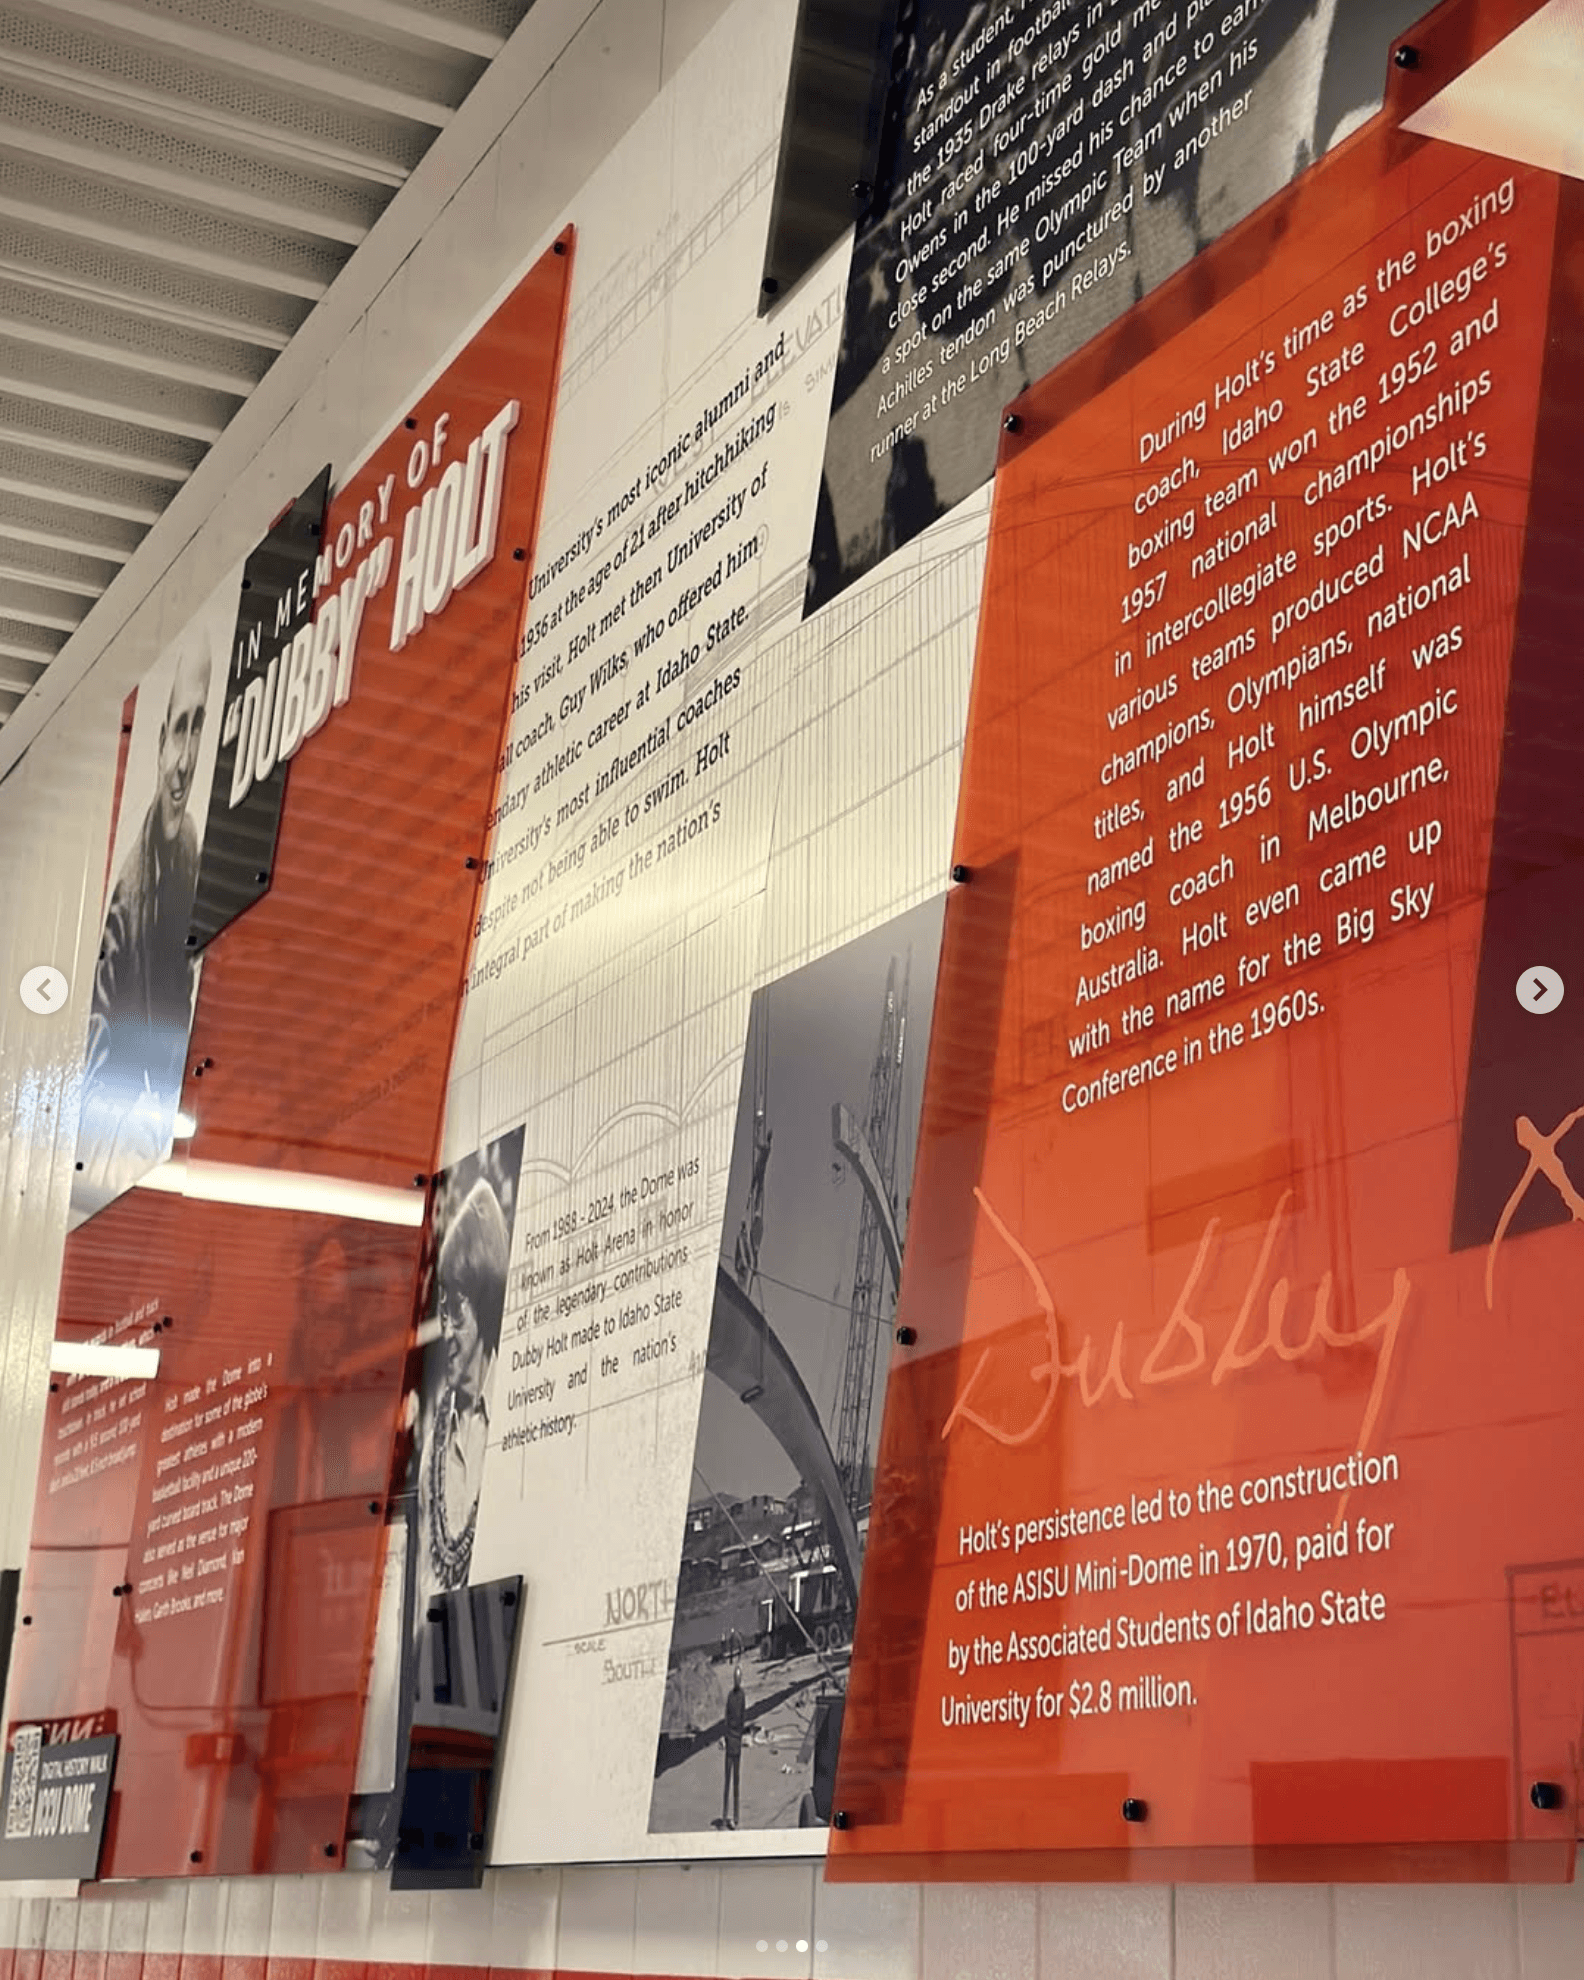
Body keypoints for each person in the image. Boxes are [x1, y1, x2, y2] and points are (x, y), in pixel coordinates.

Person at [75, 642, 211, 1216]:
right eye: (179, 730)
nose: (185, 760)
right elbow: (94, 1125)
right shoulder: (124, 908)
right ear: (157, 745)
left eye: (198, 728)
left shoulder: (187, 849)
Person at [417, 1176, 510, 1595]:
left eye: (457, 1309)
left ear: (485, 1300)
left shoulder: (516, 1416)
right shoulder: (433, 1454)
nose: (447, 1330)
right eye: (442, 1310)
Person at [721, 1665, 746, 1829]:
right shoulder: (735, 1696)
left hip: (733, 1741)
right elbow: (733, 1717)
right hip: (732, 1741)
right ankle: (727, 1817)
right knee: (730, 1781)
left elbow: (736, 1717)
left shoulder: (737, 1696)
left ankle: (732, 1817)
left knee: (733, 1781)